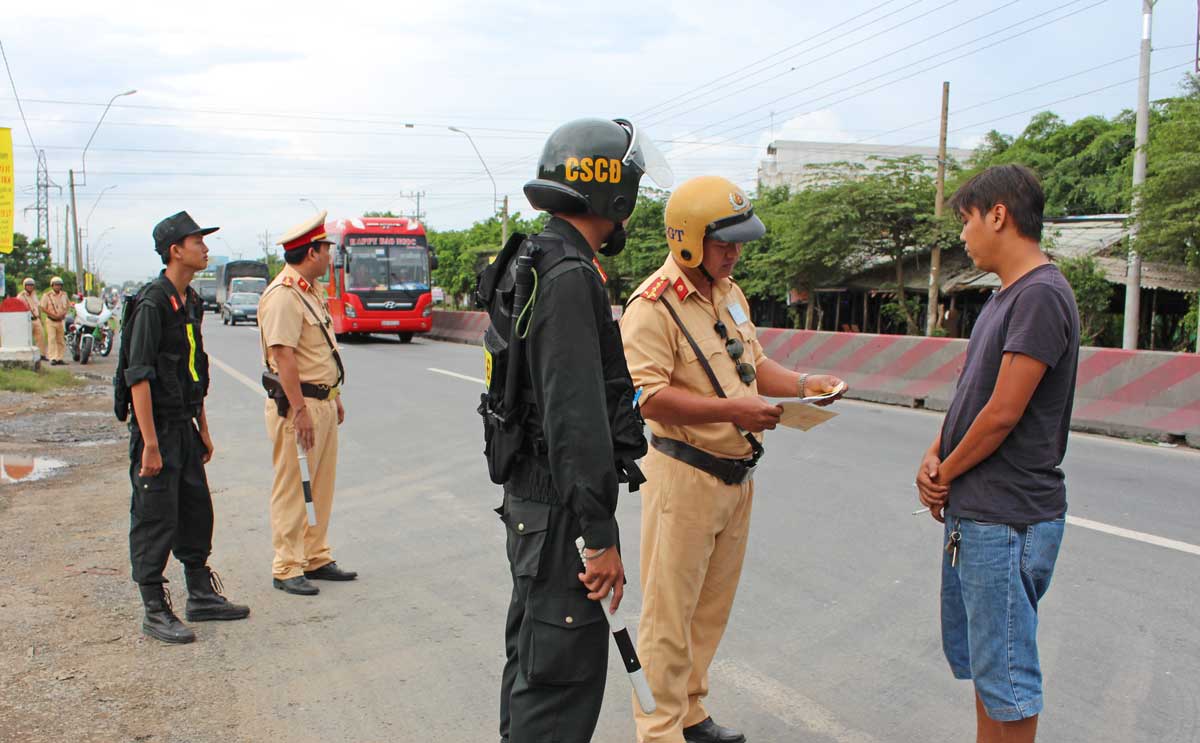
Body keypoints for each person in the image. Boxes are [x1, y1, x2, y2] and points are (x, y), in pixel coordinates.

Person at [620, 176, 846, 743]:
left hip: (735, 478)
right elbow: (647, 398)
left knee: (708, 610)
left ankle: (690, 712)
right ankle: (659, 730)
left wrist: (803, 383)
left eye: (740, 242)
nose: (735, 252)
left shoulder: (730, 293)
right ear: (690, 239)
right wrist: (732, 412)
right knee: (668, 619)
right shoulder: (652, 308)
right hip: (684, 474)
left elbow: (754, 365)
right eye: (725, 242)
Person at [485, 118, 672, 743]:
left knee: (537, 669)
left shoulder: (542, 259)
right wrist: (599, 535)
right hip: (561, 513)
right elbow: (576, 422)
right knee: (558, 689)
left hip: (538, 507)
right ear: (610, 193)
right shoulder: (567, 276)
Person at [915, 164, 1079, 743]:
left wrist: (947, 472)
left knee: (1009, 676)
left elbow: (1003, 414)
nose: (963, 235)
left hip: (1007, 515)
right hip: (981, 510)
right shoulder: (1007, 297)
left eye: (966, 221)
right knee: (990, 670)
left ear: (999, 215)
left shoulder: (1039, 296)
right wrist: (935, 457)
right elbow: (971, 394)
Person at [123, 211, 251, 644]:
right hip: (156, 429)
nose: (206, 248)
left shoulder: (190, 300)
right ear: (176, 250)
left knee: (195, 510)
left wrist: (203, 426)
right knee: (155, 516)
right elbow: (138, 376)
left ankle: (200, 594)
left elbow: (192, 372)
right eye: (199, 241)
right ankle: (155, 609)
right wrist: (151, 445)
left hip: (185, 425)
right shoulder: (152, 303)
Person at [258, 210, 355, 597]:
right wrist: (299, 410)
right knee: (293, 487)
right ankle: (286, 565)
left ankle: (315, 555)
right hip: (299, 406)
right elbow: (283, 357)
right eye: (327, 249)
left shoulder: (309, 291)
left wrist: (335, 396)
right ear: (312, 252)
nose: (330, 256)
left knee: (321, 485)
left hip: (323, 402)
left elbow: (319, 353)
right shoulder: (283, 295)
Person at [39, 276, 70, 365]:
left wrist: (64, 313)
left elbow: (67, 305)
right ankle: (52, 358)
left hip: (60, 321)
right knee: (51, 339)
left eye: (59, 285)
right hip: (51, 320)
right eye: (56, 285)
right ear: (52, 285)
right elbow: (42, 307)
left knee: (61, 340)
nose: (57, 287)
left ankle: (59, 358)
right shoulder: (47, 295)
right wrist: (52, 314)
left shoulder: (64, 295)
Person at [18, 278, 46, 358]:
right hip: (27, 320)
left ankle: (41, 354)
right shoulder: (21, 296)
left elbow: (38, 307)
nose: (30, 287)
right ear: (25, 286)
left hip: (36, 319)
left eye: (31, 285)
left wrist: (40, 319)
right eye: (28, 285)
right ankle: (26, 355)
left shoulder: (34, 295)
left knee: (41, 337)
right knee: (27, 338)